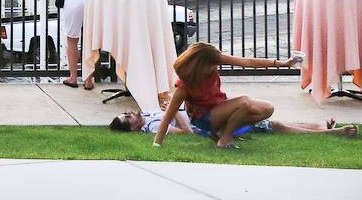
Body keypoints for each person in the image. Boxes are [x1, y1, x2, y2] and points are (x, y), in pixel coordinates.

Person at [153, 42, 299, 148]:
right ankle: (225, 140)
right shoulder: (184, 86)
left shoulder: (212, 61)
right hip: (204, 118)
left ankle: (222, 131)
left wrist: (282, 63)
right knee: (244, 102)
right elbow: (168, 115)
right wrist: (157, 144)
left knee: (267, 109)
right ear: (201, 65)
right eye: (213, 65)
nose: (216, 66)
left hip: (219, 108)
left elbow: (248, 62)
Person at [112, 108, 356, 137]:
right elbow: (186, 133)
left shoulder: (149, 113)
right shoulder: (154, 126)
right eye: (128, 117)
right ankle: (327, 133)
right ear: (133, 127)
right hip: (208, 124)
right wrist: (173, 112)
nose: (130, 113)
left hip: (209, 113)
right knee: (272, 125)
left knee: (270, 122)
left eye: (126, 112)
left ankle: (318, 125)